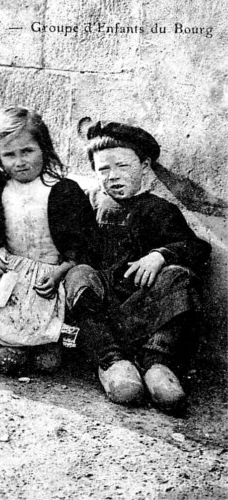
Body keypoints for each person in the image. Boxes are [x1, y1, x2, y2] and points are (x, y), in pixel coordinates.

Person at [65, 121, 210, 413]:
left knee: (179, 276)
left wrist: (160, 255)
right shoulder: (90, 202)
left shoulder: (160, 209)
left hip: (144, 306)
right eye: (103, 169)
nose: (114, 176)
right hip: (104, 308)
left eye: (123, 166)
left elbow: (196, 248)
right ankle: (111, 362)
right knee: (77, 274)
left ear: (144, 165)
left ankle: (158, 363)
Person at [0, 107, 99, 376]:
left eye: (27, 151)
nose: (20, 162)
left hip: (50, 275)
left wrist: (60, 271)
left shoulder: (63, 191)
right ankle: (0, 343)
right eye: (10, 155)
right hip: (9, 271)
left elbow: (84, 246)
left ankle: (45, 345)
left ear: (43, 148)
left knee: (48, 357)